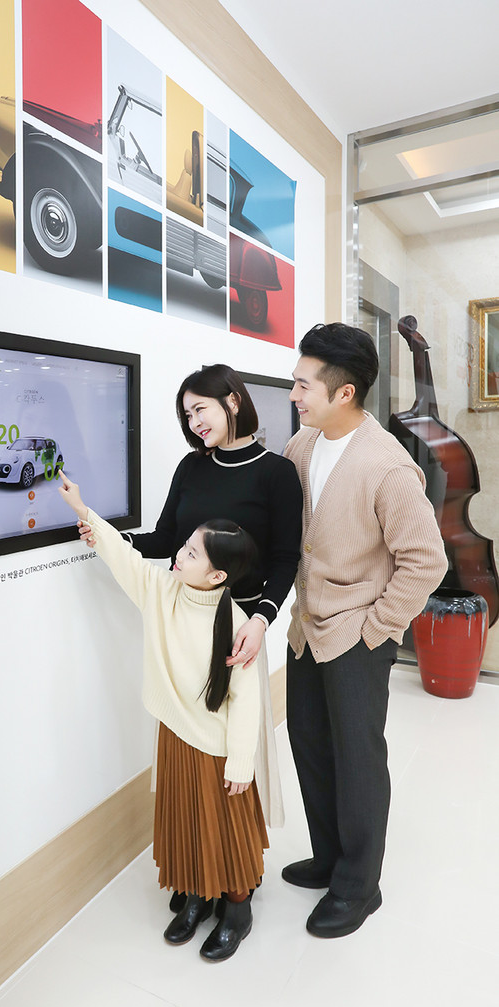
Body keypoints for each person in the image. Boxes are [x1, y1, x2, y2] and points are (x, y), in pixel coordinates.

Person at [78, 364, 303, 914]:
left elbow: (285, 558)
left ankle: (235, 883)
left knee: (232, 759)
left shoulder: (276, 473)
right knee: (185, 759)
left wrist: (262, 619)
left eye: (200, 409)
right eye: (186, 414)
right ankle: (196, 877)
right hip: (185, 624)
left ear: (232, 401)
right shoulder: (191, 467)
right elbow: (164, 539)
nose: (194, 422)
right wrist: (108, 537)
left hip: (240, 632)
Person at [58, 471, 267, 962]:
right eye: (185, 546)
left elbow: (247, 702)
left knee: (225, 832)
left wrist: (241, 762)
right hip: (174, 733)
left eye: (192, 554)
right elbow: (124, 558)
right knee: (186, 824)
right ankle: (196, 896)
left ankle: (237, 909)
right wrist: (84, 512)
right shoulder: (162, 589)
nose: (179, 555)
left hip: (218, 748)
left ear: (217, 577)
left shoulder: (236, 624)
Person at [283, 322, 447, 938]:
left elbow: (425, 561)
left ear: (344, 392)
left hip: (357, 633)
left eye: (304, 385)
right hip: (306, 628)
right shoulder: (302, 445)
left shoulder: (388, 466)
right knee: (309, 741)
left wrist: (378, 630)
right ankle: (328, 857)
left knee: (357, 757)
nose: (294, 394)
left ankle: (359, 885)